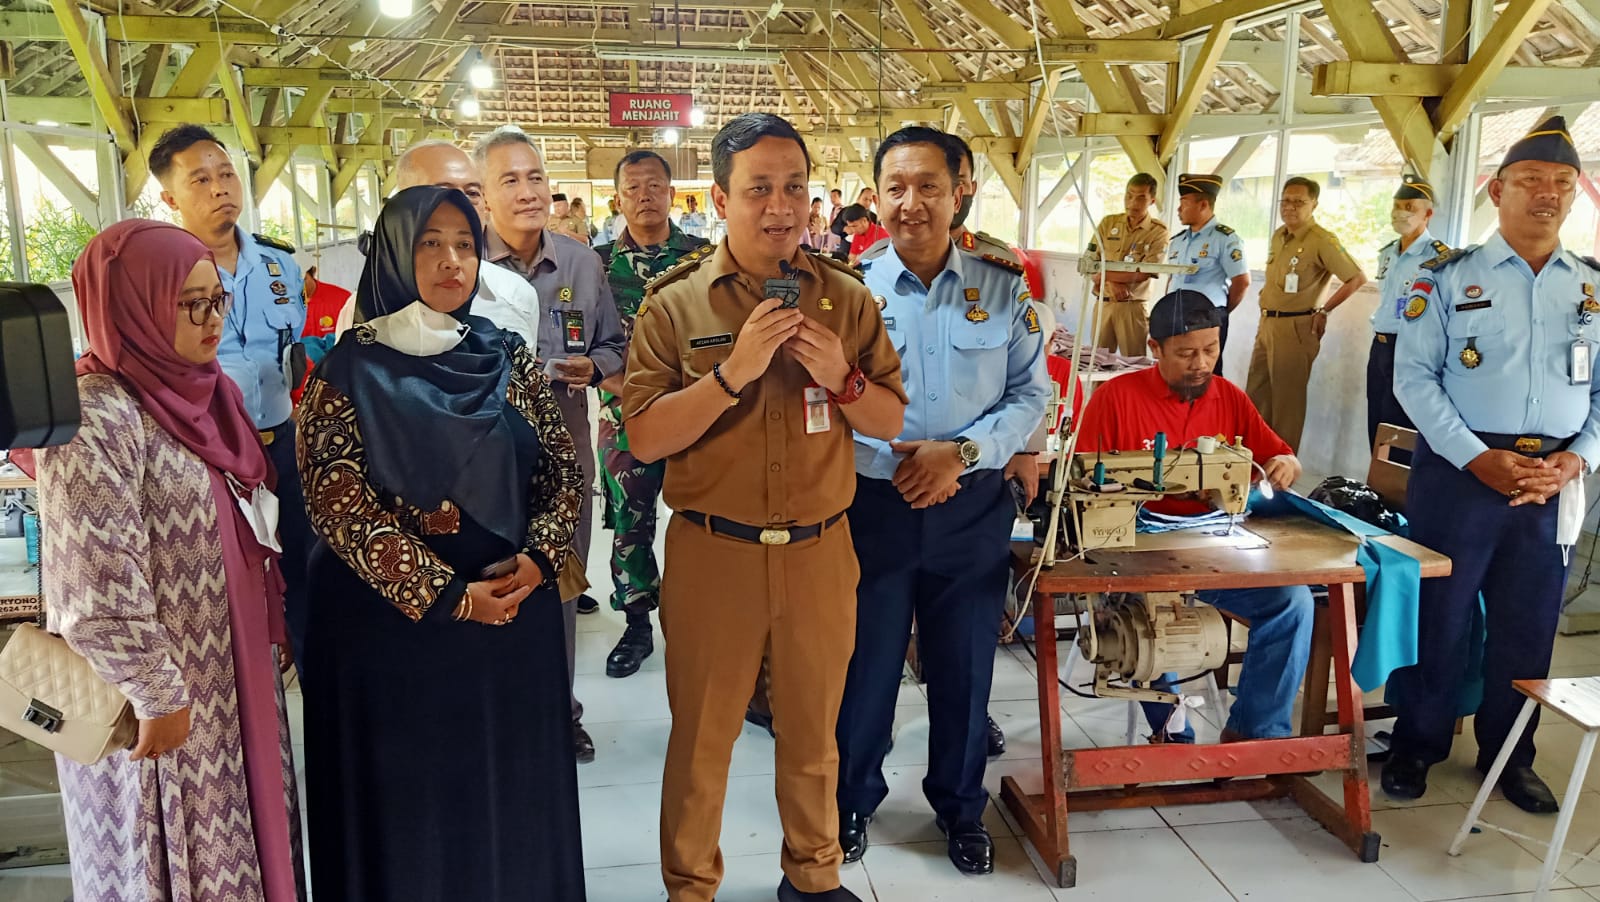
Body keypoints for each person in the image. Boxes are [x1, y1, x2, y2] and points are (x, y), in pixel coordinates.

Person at [623, 112, 908, 902]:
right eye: (758, 189)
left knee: (815, 736)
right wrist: (732, 373)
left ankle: (813, 880)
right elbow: (643, 438)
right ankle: (690, 888)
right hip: (716, 555)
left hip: (821, 550)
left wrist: (844, 379)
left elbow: (891, 420)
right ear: (719, 197)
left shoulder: (845, 302)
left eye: (794, 187)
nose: (780, 206)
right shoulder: (674, 307)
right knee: (703, 742)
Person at [297, 186, 585, 899]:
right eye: (430, 244)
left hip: (510, 623)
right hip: (393, 638)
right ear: (395, 252)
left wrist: (540, 558)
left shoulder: (504, 354)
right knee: (415, 807)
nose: (452, 261)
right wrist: (450, 598)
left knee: (507, 794)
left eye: (464, 244)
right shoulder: (346, 370)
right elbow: (340, 508)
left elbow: (561, 468)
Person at [34, 220, 303, 900]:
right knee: (174, 855)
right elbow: (92, 580)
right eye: (191, 304)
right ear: (135, 304)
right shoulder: (98, 416)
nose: (213, 320)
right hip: (161, 700)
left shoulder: (212, 396)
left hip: (232, 670)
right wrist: (155, 691)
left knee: (242, 844)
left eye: (219, 301)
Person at [834, 126, 1048, 876]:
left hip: (970, 504)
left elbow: (1031, 394)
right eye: (895, 187)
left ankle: (960, 808)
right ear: (875, 197)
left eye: (929, 185)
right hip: (876, 506)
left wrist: (959, 455)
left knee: (964, 668)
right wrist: (896, 461)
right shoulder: (848, 290)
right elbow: (826, 404)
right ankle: (850, 802)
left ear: (962, 192)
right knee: (866, 668)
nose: (911, 203)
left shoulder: (1003, 285)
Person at [1384, 116, 1600, 815]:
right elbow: (1414, 380)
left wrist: (1575, 460)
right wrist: (1477, 458)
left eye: (1563, 184)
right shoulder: (1447, 277)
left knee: (1528, 627)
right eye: (1532, 181)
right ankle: (1417, 743)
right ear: (1496, 189)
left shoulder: (1590, 288)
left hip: (1547, 483)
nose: (1548, 195)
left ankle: (1511, 756)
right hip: (1460, 473)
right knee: (1439, 617)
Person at [1077, 289, 1313, 745]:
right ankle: (1173, 734)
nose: (1201, 363)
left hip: (1210, 539)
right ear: (1155, 349)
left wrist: (1287, 463)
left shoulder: (1228, 397)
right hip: (1135, 541)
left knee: (1291, 601)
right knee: (1143, 610)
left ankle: (1255, 734)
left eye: (1211, 349)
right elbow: (1084, 479)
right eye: (1186, 353)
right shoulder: (1116, 398)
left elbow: (1279, 454)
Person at [477, 125, 626, 763]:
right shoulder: (464, 267)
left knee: (560, 587)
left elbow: (616, 346)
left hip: (561, 456)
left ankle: (560, 712)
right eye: (509, 180)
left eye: (535, 177)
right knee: (486, 583)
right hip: (480, 462)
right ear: (482, 196)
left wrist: (592, 368)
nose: (528, 191)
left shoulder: (582, 264)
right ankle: (492, 711)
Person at [149, 124, 315, 679]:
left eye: (226, 175)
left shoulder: (279, 266)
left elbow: (292, 351)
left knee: (304, 563)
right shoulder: (162, 275)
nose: (221, 188)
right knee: (233, 573)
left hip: (282, 442)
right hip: (213, 450)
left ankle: (307, 664)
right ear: (170, 198)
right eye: (200, 179)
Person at [592, 149, 711, 676]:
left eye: (655, 186)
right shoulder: (596, 266)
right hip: (626, 418)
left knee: (706, 519)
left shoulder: (705, 258)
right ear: (617, 199)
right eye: (633, 187)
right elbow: (587, 342)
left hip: (699, 412)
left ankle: (701, 618)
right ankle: (637, 623)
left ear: (671, 193)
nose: (645, 195)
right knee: (628, 520)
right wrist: (610, 385)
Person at [1245, 176, 1368, 451]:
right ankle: (1253, 466)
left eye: (1299, 202)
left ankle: (1281, 473)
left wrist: (1325, 310)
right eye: (1285, 201)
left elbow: (1357, 278)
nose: (1290, 207)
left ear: (1314, 205)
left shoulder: (1321, 240)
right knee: (1256, 396)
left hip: (1296, 328)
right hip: (1267, 324)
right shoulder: (1279, 236)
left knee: (1287, 405)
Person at [1368, 177, 1448, 454]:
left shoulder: (1438, 258)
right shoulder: (1388, 253)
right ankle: (1377, 489)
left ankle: (1401, 491)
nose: (1400, 212)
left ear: (1427, 214)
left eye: (1409, 207)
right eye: (1397, 206)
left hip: (1411, 348)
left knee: (1401, 424)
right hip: (1380, 346)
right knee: (1376, 419)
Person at [1165, 173, 1250, 375]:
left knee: (1205, 372)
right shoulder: (1178, 241)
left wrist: (1219, 312)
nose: (1179, 209)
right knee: (1176, 370)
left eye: (1184, 203)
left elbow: (1242, 282)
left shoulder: (1225, 238)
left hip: (1207, 317)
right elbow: (1173, 278)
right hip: (1177, 312)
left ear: (1203, 205)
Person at [1085, 173, 1170, 356]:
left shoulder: (1158, 232)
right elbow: (1089, 263)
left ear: (1152, 201)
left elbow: (1145, 272)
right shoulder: (1108, 223)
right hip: (1103, 304)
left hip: (1132, 307)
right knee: (1097, 363)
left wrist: (1104, 275)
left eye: (1141, 198)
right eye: (1129, 196)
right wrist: (1113, 282)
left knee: (1133, 363)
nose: (1132, 203)